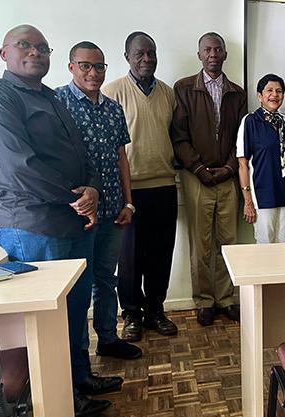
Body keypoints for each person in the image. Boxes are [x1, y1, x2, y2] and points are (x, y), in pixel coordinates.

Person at [0, 25, 121, 416]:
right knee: (41, 323)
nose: (35, 53)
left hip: (73, 223)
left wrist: (94, 190)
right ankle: (48, 398)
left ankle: (78, 379)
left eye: (42, 48)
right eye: (24, 46)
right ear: (4, 54)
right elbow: (19, 167)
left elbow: (85, 156)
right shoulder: (3, 99)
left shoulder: (52, 98)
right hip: (32, 227)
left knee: (73, 310)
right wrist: (79, 199)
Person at [56, 41, 142, 360]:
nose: (93, 73)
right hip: (77, 214)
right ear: (71, 67)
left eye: (99, 66)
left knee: (107, 278)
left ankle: (108, 338)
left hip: (113, 211)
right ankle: (79, 356)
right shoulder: (57, 102)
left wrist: (128, 203)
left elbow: (122, 157)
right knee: (78, 285)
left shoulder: (113, 108)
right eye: (85, 66)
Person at [103, 31, 178, 341]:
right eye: (140, 54)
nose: (147, 59)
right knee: (130, 258)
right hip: (129, 190)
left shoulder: (168, 93)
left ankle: (156, 310)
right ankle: (132, 314)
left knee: (162, 253)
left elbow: (173, 134)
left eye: (151, 53)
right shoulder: (112, 92)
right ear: (127, 58)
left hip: (164, 184)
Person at [171, 32, 246, 327]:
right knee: (200, 245)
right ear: (199, 54)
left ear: (225, 55)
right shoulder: (184, 88)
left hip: (227, 178)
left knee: (227, 243)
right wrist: (199, 169)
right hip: (196, 177)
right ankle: (203, 300)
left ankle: (226, 299)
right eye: (207, 49)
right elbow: (179, 135)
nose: (213, 54)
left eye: (218, 49)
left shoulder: (237, 93)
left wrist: (229, 168)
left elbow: (242, 136)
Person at [236, 74, 285, 243]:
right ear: (259, 96)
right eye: (269, 90)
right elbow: (243, 164)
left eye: (279, 91)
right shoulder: (250, 121)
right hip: (263, 194)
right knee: (265, 246)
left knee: (283, 245)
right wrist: (247, 201)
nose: (274, 94)